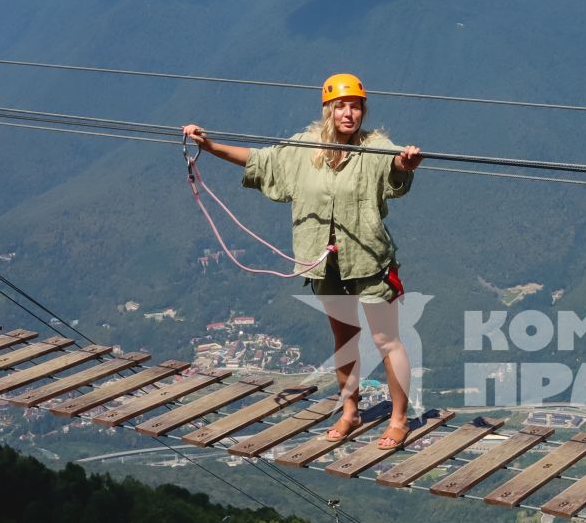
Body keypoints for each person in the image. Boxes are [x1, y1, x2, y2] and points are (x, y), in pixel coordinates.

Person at [182, 73, 424, 447]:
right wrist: (210, 146)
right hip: (323, 261)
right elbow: (261, 161)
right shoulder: (303, 148)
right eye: (342, 106)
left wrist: (405, 164)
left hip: (370, 260)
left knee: (386, 339)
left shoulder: (375, 147)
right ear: (328, 109)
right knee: (344, 339)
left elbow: (394, 166)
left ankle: (399, 419)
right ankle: (350, 412)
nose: (350, 113)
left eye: (356, 106)